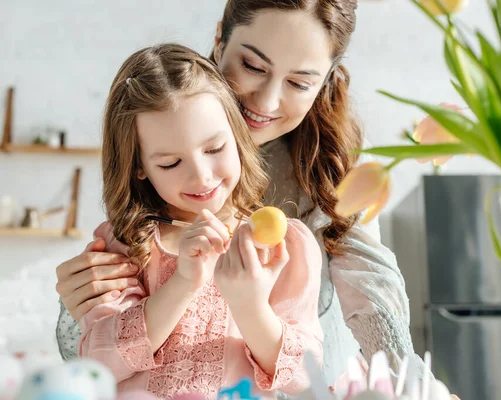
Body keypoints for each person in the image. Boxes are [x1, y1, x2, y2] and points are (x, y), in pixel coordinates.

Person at [56, 0, 414, 385]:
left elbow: (370, 292)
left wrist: (411, 383)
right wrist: (81, 307)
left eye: (299, 82)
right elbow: (89, 355)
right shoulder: (161, 117)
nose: (267, 101)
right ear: (219, 40)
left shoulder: (333, 169)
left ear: (326, 79)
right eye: (254, 67)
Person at [76, 43, 323, 399]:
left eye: (214, 149)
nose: (202, 176)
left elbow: (305, 375)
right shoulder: (124, 244)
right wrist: (184, 283)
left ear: (237, 138)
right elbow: (98, 362)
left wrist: (250, 305)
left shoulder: (285, 245)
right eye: (170, 164)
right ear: (139, 167)